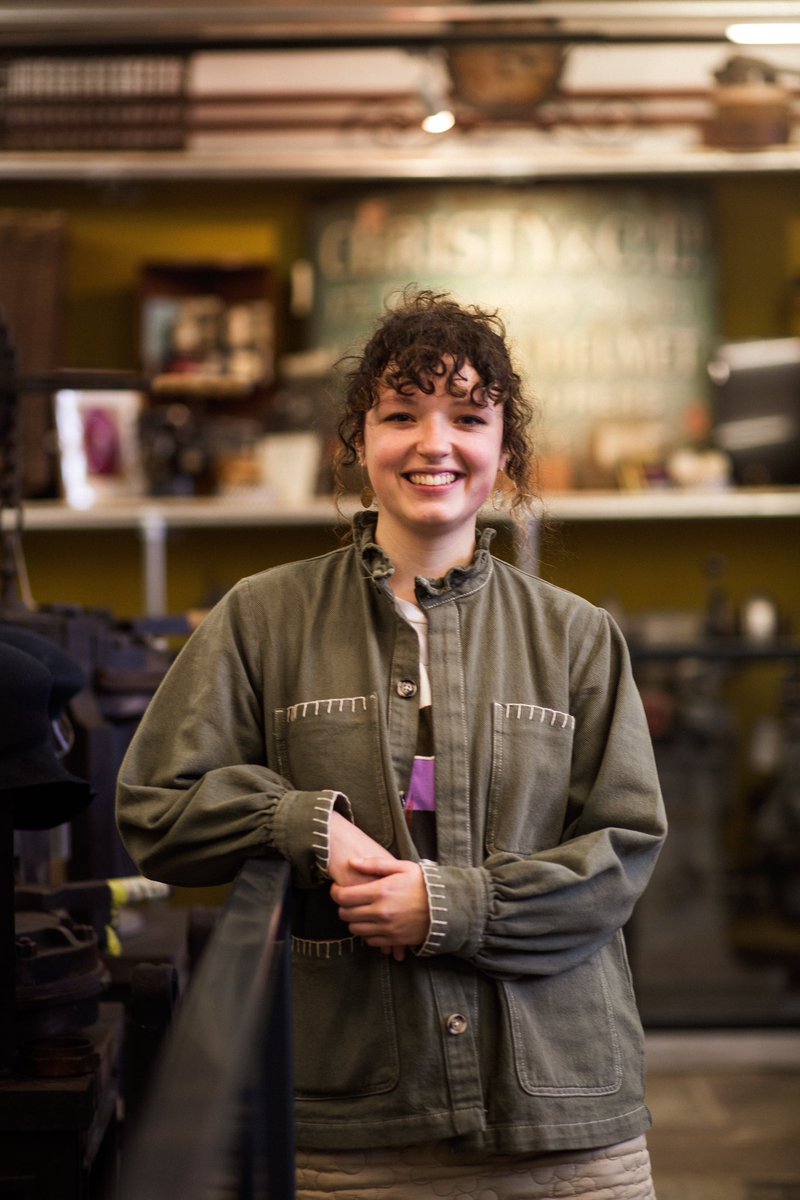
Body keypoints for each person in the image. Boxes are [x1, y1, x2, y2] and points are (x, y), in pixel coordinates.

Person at [116, 288, 667, 1199]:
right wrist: (302, 822)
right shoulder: (263, 617)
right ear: (359, 441)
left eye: (468, 417)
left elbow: (622, 854)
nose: (433, 444)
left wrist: (448, 907)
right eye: (401, 414)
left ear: (504, 448)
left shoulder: (577, 636)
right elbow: (157, 806)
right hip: (351, 1135)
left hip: (563, 1128)